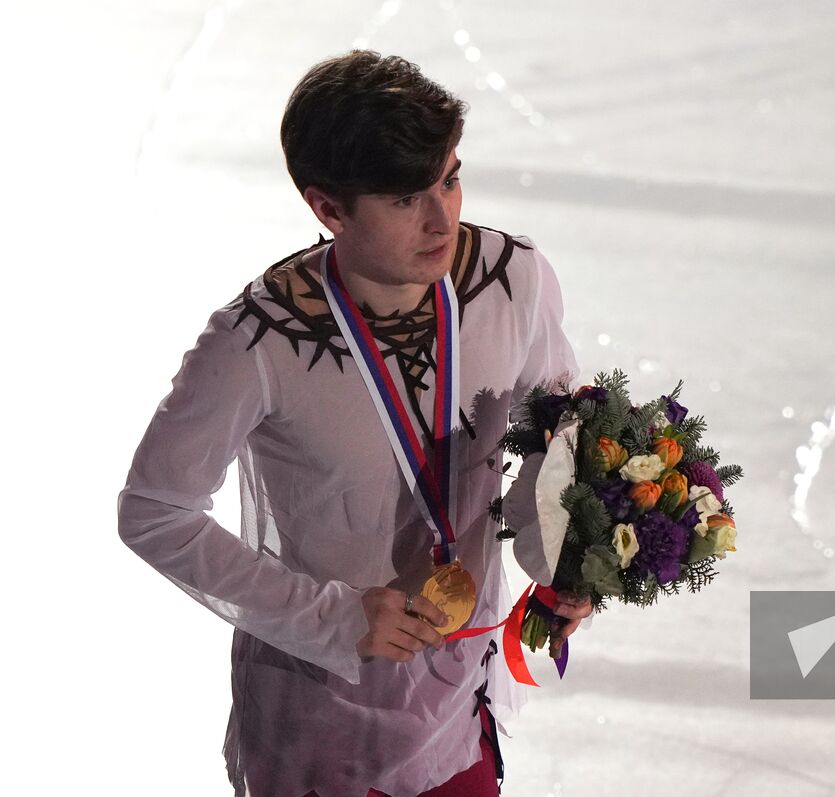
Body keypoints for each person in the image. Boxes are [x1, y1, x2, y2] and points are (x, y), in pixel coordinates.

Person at [117, 50, 592, 797]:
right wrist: (332, 618)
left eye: (450, 179)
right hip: (323, 724)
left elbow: (553, 435)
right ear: (328, 208)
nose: (443, 219)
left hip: (460, 705)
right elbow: (154, 511)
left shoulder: (512, 280)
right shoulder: (255, 343)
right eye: (406, 199)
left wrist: (563, 561)